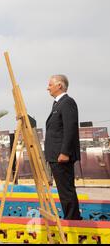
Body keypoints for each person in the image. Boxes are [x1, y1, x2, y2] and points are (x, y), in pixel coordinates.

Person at [45, 74, 81, 220]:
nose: (48, 88)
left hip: (62, 156)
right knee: (62, 190)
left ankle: (73, 220)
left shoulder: (67, 102)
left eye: (50, 85)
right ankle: (71, 218)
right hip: (55, 156)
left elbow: (70, 129)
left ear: (59, 85)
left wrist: (65, 152)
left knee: (66, 190)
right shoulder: (57, 104)